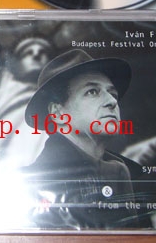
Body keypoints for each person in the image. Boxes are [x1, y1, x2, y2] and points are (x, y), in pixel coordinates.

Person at [22, 49, 144, 229]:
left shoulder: (132, 175)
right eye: (92, 92)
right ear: (57, 113)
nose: (112, 101)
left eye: (113, 93)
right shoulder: (33, 185)